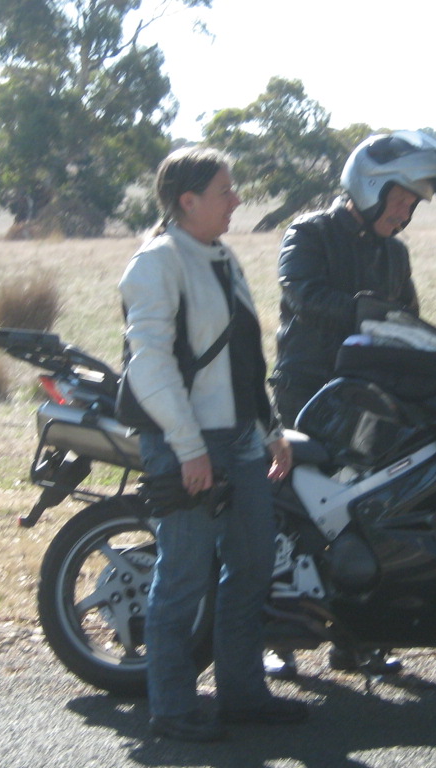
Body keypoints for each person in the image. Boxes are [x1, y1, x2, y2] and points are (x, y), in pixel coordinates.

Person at [119, 147, 308, 743]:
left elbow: (244, 358)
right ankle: (172, 709)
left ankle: (242, 697)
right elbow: (149, 365)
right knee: (183, 577)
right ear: (188, 200)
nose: (237, 199)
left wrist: (270, 429)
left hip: (241, 440)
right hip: (184, 443)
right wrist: (187, 447)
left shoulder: (222, 257)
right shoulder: (156, 262)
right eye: (226, 191)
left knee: (251, 569)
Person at [266, 130, 436, 680]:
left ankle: (357, 640)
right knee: (292, 512)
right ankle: (275, 636)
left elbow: (409, 319)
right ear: (370, 187)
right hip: (309, 389)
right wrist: (366, 312)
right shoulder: (310, 232)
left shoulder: (395, 253)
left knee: (366, 509)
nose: (404, 213)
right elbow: (303, 295)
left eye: (412, 205)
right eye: (399, 199)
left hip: (371, 401)